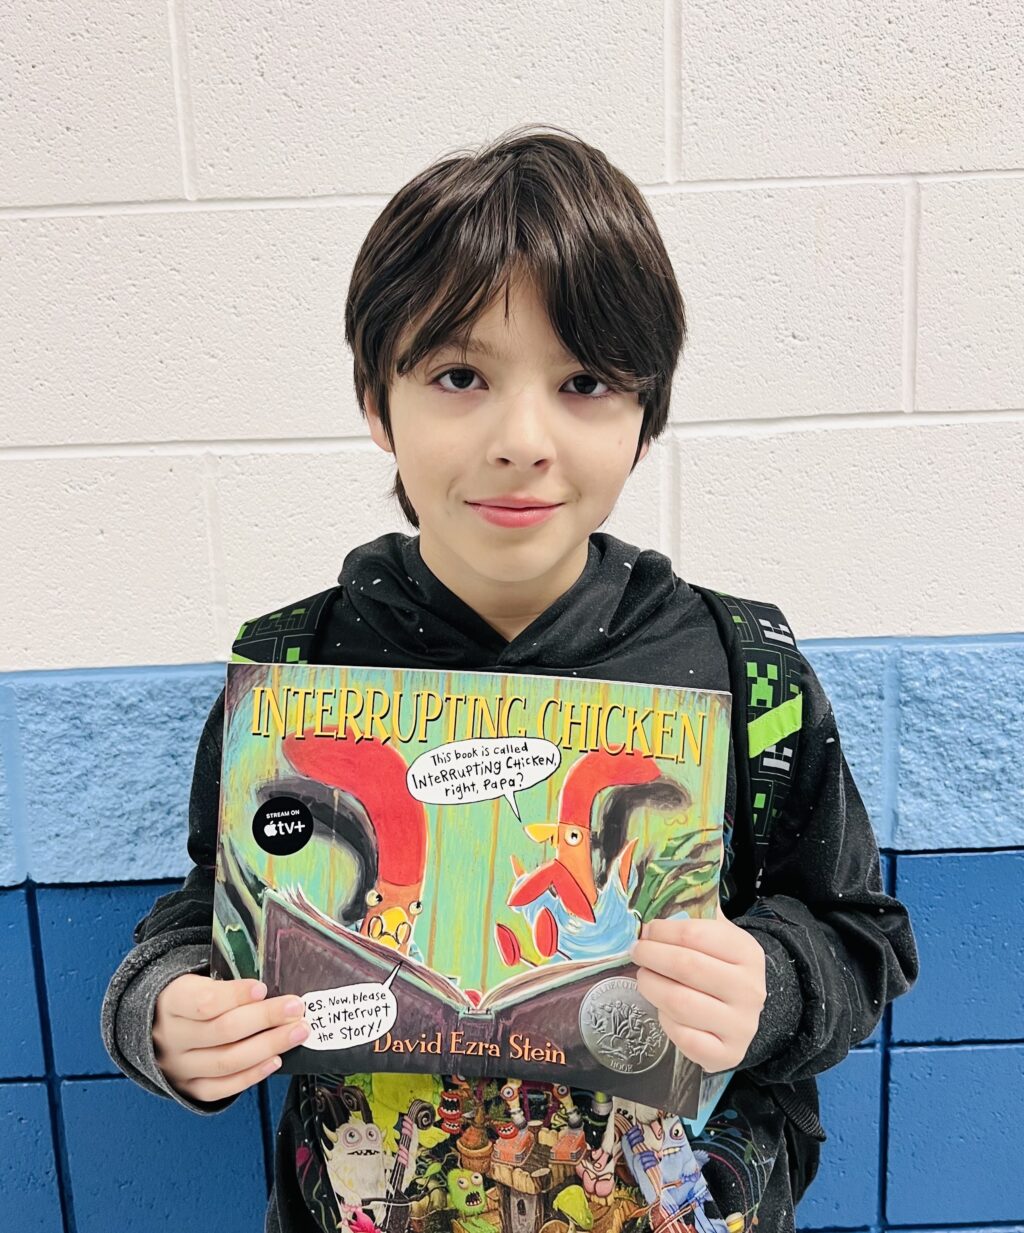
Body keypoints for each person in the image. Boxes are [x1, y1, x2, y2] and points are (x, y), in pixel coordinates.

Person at [102, 123, 919, 1233]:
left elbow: (862, 936)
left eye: (583, 380)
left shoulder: (744, 672)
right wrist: (166, 1019)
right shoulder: (292, 677)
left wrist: (770, 984)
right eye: (457, 376)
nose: (521, 438)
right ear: (375, 401)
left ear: (645, 416)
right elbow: (209, 918)